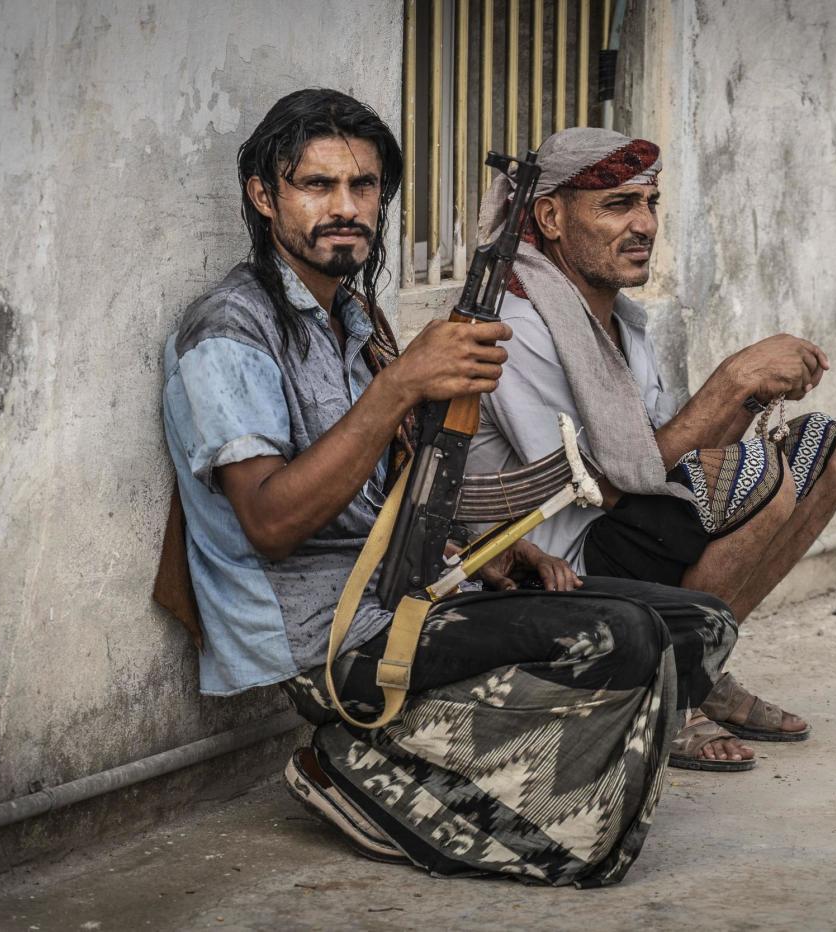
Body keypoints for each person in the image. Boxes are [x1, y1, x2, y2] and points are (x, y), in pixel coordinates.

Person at [160, 90, 741, 886]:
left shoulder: (354, 321)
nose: (346, 208)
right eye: (317, 186)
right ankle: (365, 767)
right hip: (324, 638)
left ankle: (411, 752)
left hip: (406, 594)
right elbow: (270, 520)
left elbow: (395, 493)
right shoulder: (231, 328)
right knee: (624, 640)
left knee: (697, 627)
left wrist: (487, 553)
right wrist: (399, 386)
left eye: (363, 187)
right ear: (265, 198)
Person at [468, 127, 836, 771]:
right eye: (617, 206)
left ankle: (701, 665)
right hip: (553, 559)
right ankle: (672, 694)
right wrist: (732, 379)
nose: (644, 224)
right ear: (551, 217)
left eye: (649, 204)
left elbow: (664, 456)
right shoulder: (518, 323)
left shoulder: (622, 319)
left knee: (828, 452)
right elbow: (602, 485)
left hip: (618, 526)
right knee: (757, 475)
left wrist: (751, 399)